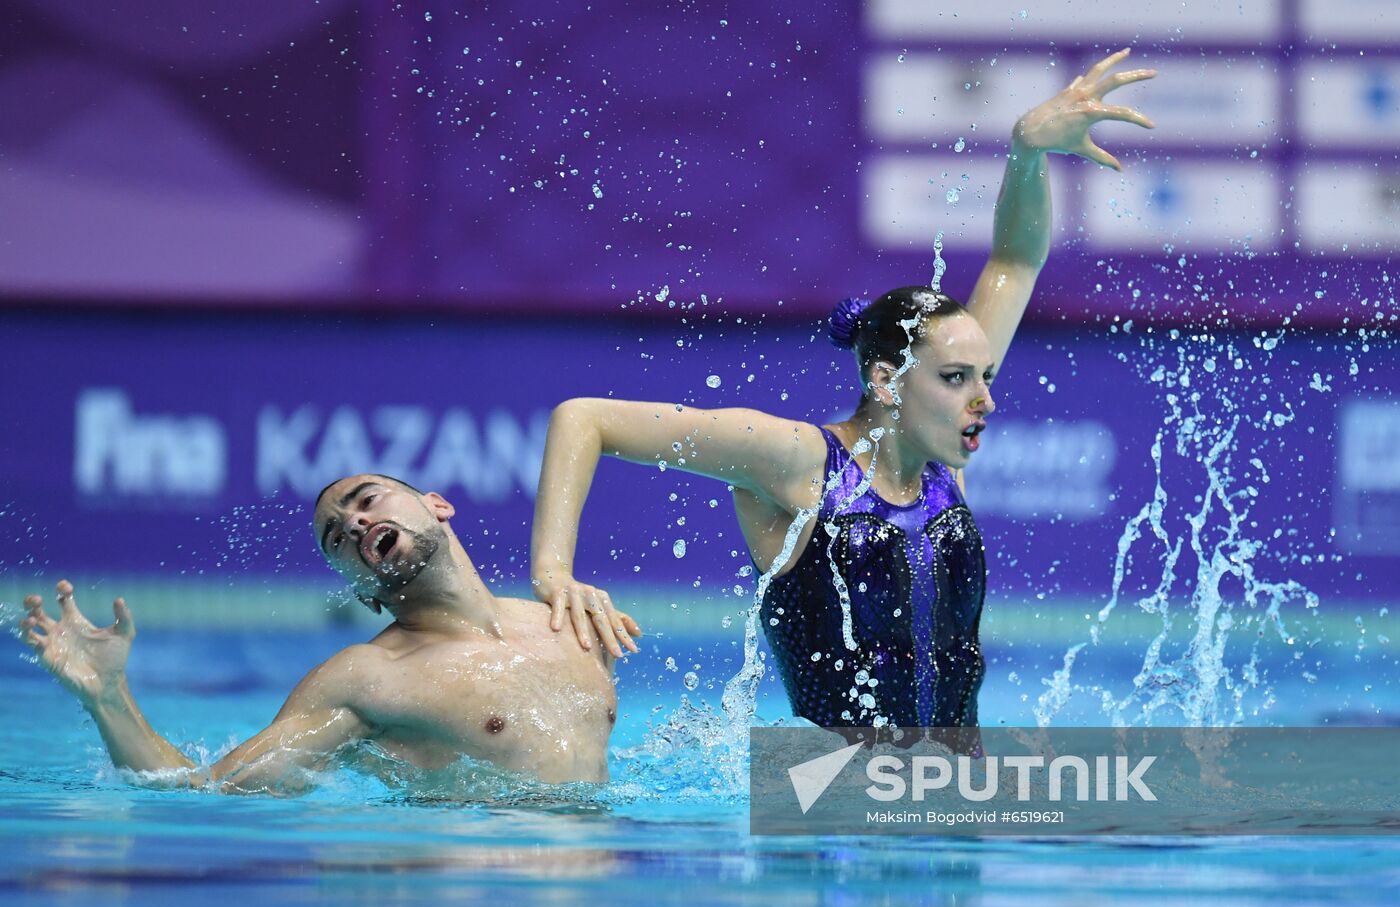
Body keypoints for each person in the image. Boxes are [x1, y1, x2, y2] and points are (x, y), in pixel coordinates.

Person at [529, 50, 1156, 736]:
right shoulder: (798, 461)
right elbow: (584, 418)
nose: (983, 399)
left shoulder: (942, 465)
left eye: (987, 378)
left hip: (950, 804)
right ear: (886, 379)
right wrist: (554, 572)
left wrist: (1028, 154)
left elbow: (1014, 261)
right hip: (832, 820)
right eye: (956, 378)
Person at [17, 474, 627, 794]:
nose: (357, 521)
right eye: (338, 537)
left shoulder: (572, 624)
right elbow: (207, 792)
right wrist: (108, 697)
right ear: (363, 592)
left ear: (438, 505)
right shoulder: (367, 679)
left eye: (367, 500)